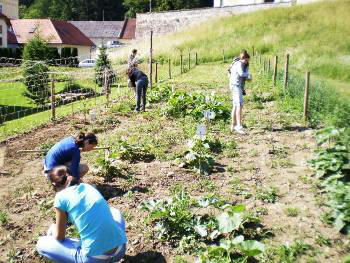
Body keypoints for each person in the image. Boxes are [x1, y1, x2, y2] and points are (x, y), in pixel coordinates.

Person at [36, 166, 127, 263]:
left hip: (94, 259)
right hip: (120, 250)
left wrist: (53, 230)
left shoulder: (60, 197)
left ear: (54, 184)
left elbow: (59, 237)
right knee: (114, 212)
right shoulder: (88, 187)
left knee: (41, 244)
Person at [228, 50, 252, 134]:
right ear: (244, 58)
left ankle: (233, 125)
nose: (247, 62)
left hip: (234, 85)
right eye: (246, 60)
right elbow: (241, 74)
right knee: (239, 105)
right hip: (236, 86)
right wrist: (249, 75)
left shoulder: (236, 63)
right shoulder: (239, 64)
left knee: (235, 105)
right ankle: (238, 126)